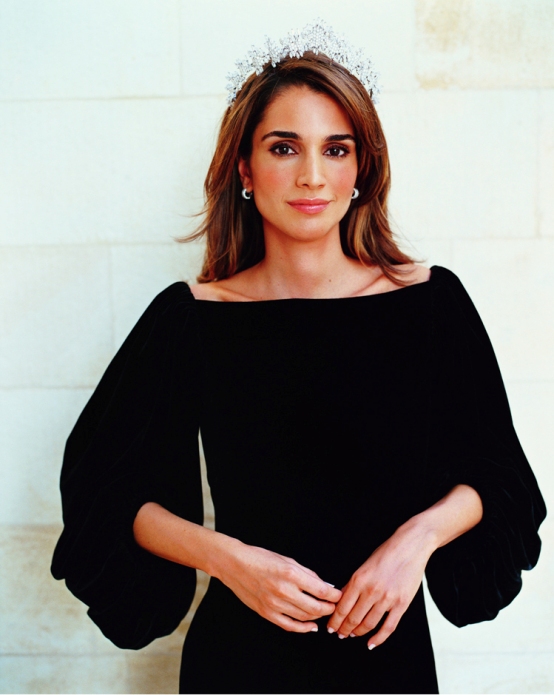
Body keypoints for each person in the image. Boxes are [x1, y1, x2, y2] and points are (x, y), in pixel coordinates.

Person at [51, 20, 546, 695]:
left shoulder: (430, 305)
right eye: (284, 147)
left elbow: (499, 474)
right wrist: (229, 560)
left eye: (336, 149)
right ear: (245, 168)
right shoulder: (193, 317)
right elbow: (105, 492)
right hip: (240, 662)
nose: (312, 175)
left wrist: (416, 541)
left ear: (361, 170)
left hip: (387, 658)